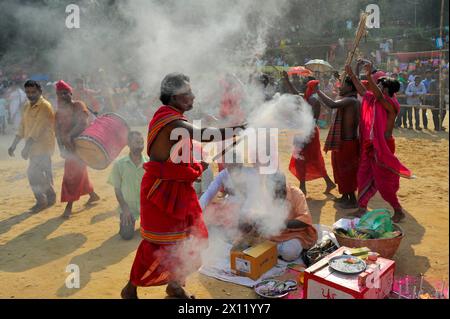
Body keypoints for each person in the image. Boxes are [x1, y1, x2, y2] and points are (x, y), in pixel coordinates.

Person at [121, 73, 245, 299]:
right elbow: (204, 135)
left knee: (190, 240)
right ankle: (130, 290)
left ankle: (175, 286)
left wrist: (195, 167)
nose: (193, 97)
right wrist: (237, 130)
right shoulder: (170, 119)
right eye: (188, 93)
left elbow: (177, 158)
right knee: (157, 247)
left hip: (179, 190)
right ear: (174, 96)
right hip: (160, 192)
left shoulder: (174, 118)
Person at [347, 61, 412, 223]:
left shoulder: (392, 104)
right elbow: (362, 90)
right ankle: (362, 207)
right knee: (362, 175)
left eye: (379, 85)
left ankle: (398, 210)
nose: (375, 87)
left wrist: (368, 75)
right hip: (371, 145)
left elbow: (377, 95)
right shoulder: (375, 99)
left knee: (383, 183)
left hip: (384, 147)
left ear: (386, 89)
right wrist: (351, 74)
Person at [282, 71, 336, 196]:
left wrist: (287, 80)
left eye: (307, 85)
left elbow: (312, 119)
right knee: (312, 158)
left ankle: (304, 187)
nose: (305, 87)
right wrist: (287, 80)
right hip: (308, 131)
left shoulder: (312, 100)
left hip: (307, 132)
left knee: (302, 158)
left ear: (310, 87)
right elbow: (295, 93)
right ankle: (327, 183)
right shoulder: (309, 98)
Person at [8, 80, 56, 213]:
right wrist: (13, 145)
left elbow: (37, 129)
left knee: (32, 173)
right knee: (41, 172)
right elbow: (22, 127)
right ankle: (51, 195)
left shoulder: (45, 106)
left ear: (40, 91)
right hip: (32, 147)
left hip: (44, 145)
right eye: (28, 92)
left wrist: (26, 148)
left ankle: (41, 200)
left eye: (33, 92)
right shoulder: (26, 106)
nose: (30, 95)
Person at [54, 80, 100, 219]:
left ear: (70, 93)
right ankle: (92, 195)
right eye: (59, 94)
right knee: (78, 173)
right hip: (68, 150)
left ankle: (69, 207)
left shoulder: (78, 105)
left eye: (65, 93)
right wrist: (61, 148)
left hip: (81, 147)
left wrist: (70, 135)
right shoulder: (58, 113)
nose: (62, 96)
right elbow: (57, 132)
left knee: (71, 176)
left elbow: (83, 122)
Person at [315, 73, 360, 209]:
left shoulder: (352, 100)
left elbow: (332, 104)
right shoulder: (348, 99)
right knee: (340, 170)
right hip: (342, 142)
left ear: (351, 87)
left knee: (347, 171)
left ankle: (352, 199)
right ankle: (345, 196)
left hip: (348, 142)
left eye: (343, 84)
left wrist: (317, 91)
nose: (340, 86)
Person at [108, 131, 148, 240]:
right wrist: (125, 209)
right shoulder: (119, 164)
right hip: (128, 207)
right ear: (128, 144)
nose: (140, 146)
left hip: (146, 207)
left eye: (141, 142)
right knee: (126, 235)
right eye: (137, 142)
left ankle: (146, 221)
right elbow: (117, 189)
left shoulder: (149, 163)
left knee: (152, 234)